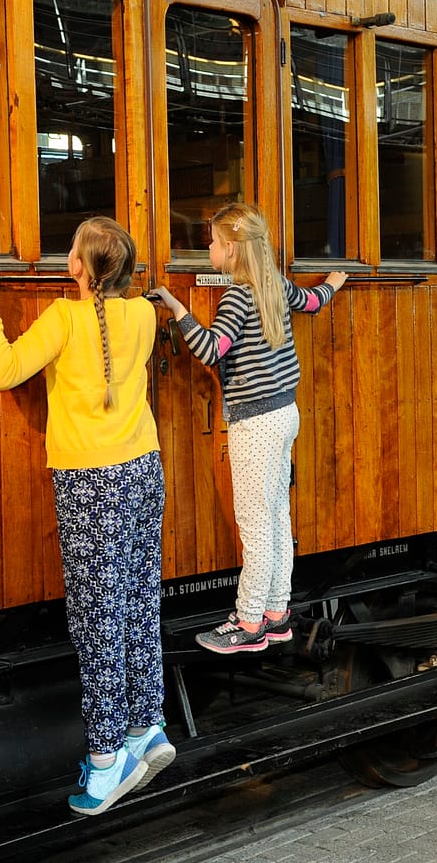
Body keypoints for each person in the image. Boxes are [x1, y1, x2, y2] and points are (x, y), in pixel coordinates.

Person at [0, 216, 175, 816]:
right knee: (136, 600)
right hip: (142, 468)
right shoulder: (142, 315)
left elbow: (4, 371)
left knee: (95, 619)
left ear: (78, 268)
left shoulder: (64, 317)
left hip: (90, 482)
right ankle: (148, 726)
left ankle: (106, 761)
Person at [151, 203, 347, 654]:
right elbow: (312, 301)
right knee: (277, 517)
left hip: (255, 422)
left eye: (214, 242)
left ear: (233, 249)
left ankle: (248, 621)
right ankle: (277, 614)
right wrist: (334, 283)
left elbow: (211, 349)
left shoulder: (238, 295)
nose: (208, 248)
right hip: (284, 414)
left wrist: (176, 306)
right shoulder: (274, 284)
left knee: (255, 524)